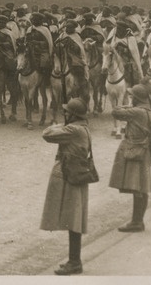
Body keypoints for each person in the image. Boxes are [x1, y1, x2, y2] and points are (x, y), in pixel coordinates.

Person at [40, 98, 91, 275]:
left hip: (71, 176)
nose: (65, 114)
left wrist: (60, 124)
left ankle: (75, 262)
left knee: (73, 220)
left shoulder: (73, 129)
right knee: (73, 219)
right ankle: (73, 259)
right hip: (77, 175)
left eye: (67, 112)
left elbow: (46, 134)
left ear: (73, 115)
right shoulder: (82, 127)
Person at [109, 84, 151, 232]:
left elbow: (115, 112)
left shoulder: (138, 111)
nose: (130, 98)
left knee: (138, 188)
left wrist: (127, 105)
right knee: (141, 188)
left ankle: (136, 222)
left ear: (136, 98)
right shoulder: (148, 110)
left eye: (132, 96)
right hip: (144, 151)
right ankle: (138, 221)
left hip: (136, 151)